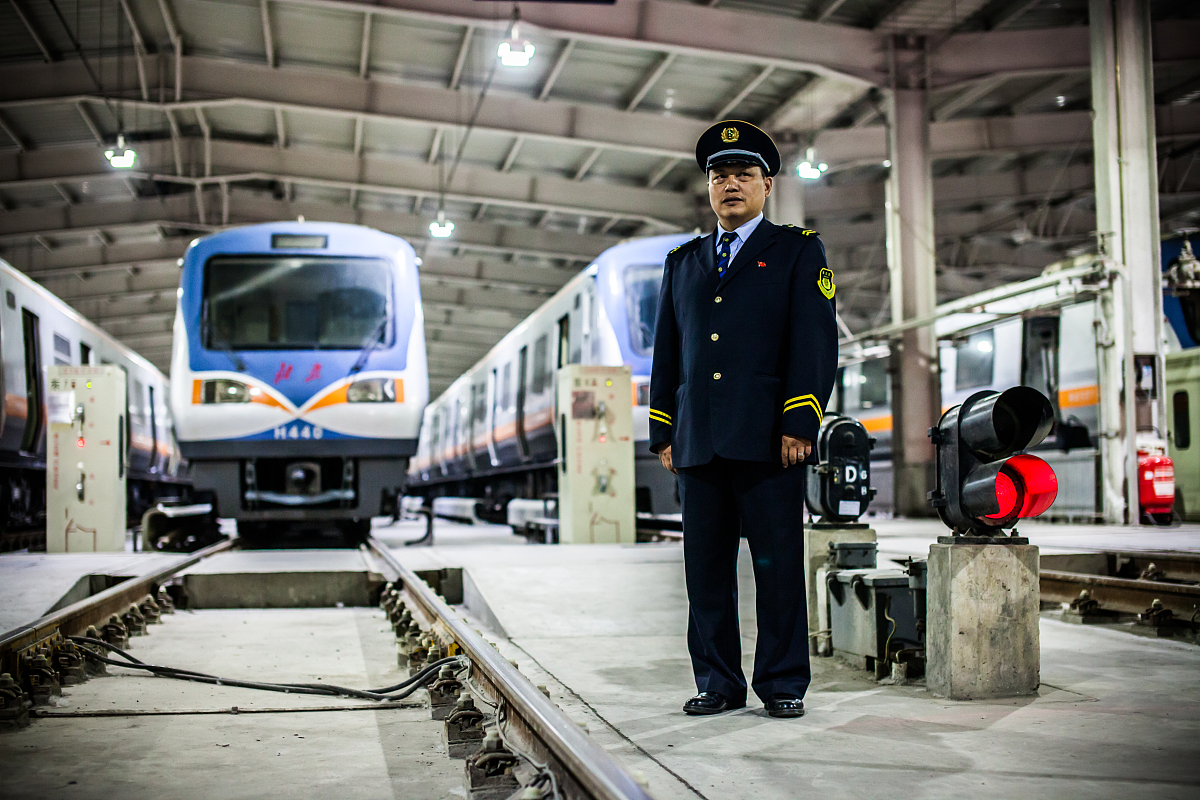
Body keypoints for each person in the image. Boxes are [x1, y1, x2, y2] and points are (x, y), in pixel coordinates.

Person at [648, 120, 838, 719]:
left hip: (768, 443)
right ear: (708, 189)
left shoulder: (798, 251)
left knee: (777, 568)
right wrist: (663, 431)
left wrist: (800, 423)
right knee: (705, 573)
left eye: (743, 174)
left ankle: (782, 683)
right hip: (699, 443)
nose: (730, 184)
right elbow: (668, 354)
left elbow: (814, 346)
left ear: (766, 185)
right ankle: (718, 683)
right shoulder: (683, 263)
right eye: (719, 175)